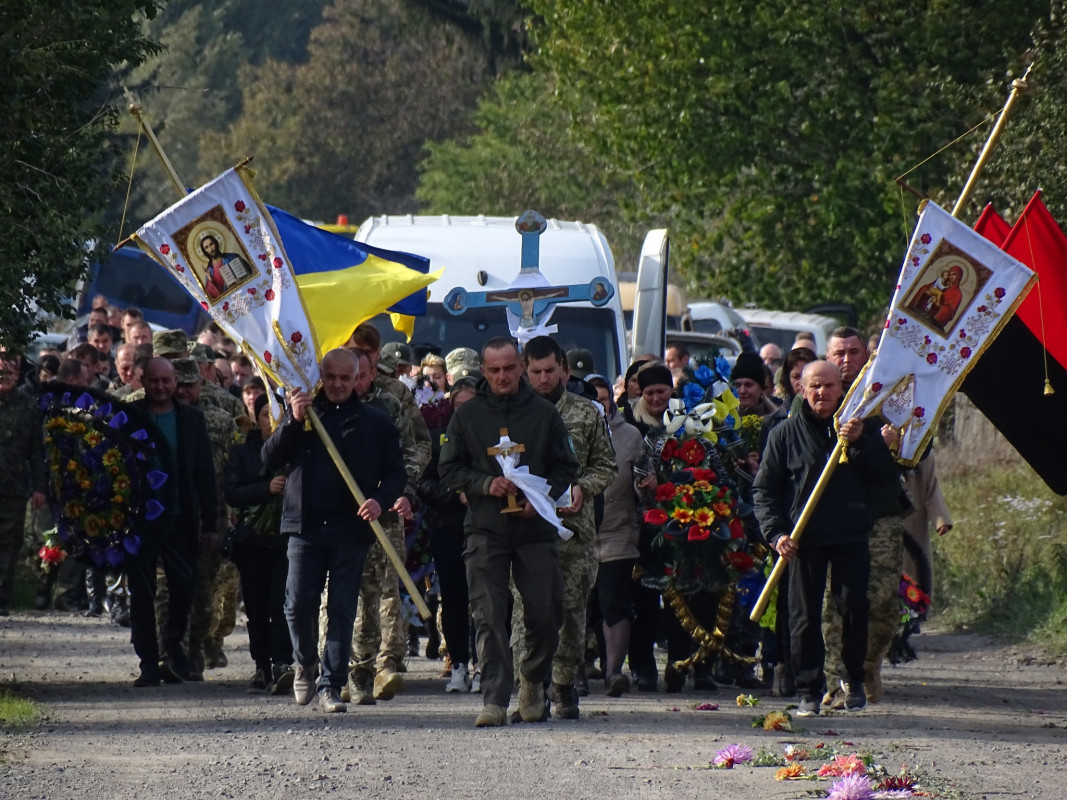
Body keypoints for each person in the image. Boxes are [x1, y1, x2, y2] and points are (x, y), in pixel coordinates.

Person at [438, 337, 578, 727]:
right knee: (489, 613)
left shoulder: (544, 413)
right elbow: (448, 469)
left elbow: (566, 465)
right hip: (486, 529)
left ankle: (532, 680)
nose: (502, 376)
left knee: (547, 610)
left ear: (520, 366)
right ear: (483, 370)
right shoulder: (467, 416)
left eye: (509, 368)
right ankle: (495, 699)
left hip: (534, 529)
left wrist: (542, 497)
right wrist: (485, 485)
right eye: (494, 370)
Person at [262, 349, 405, 713]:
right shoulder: (302, 415)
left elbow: (395, 474)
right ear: (320, 377)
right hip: (304, 526)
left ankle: (331, 684)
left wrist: (379, 499)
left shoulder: (375, 421)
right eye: (331, 377)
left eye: (346, 378)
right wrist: (293, 421)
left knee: (342, 610)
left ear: (358, 378)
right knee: (296, 606)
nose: (338, 385)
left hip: (350, 528)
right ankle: (305, 663)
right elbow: (270, 459)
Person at [753, 361, 896, 716]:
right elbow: (765, 490)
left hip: (850, 533)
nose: (822, 393)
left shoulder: (861, 428)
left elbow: (883, 476)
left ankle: (853, 680)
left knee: (853, 609)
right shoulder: (783, 434)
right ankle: (807, 689)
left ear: (840, 389)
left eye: (829, 386)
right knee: (802, 616)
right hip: (802, 538)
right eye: (815, 386)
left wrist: (862, 443)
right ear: (802, 389)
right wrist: (776, 533)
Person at [518, 336, 617, 720]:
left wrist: (583, 486)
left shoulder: (587, 412)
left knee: (571, 610)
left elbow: (606, 466)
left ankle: (562, 684)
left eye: (550, 371)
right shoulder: (515, 412)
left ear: (563, 368)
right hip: (526, 527)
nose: (544, 379)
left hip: (574, 530)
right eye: (536, 372)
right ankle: (531, 684)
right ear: (526, 371)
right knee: (527, 610)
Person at [127, 358, 218, 686]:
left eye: (167, 381)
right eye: (155, 381)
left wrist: (211, 523)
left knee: (184, 585)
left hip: (180, 516)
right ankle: (148, 662)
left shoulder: (191, 419)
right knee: (142, 591)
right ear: (143, 380)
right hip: (139, 521)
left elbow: (205, 474)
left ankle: (173, 641)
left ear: (175, 382)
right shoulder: (131, 415)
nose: (161, 387)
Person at [225, 393, 294, 695]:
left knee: (281, 604)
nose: (272, 420)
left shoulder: (294, 449)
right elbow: (232, 492)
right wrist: (266, 489)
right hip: (252, 540)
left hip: (284, 540)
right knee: (256, 606)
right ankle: (261, 665)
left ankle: (282, 662)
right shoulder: (242, 452)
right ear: (257, 418)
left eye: (278, 413)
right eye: (267, 413)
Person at [417, 377, 478, 692]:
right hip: (448, 530)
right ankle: (458, 665)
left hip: (484, 530)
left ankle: (484, 664)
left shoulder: (489, 436)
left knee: (486, 600)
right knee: (453, 600)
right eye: (459, 406)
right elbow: (424, 483)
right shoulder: (438, 438)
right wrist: (456, 495)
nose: (464, 412)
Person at [586, 375, 643, 696]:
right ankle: (577, 669)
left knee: (613, 602)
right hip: (577, 534)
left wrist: (644, 486)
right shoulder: (572, 431)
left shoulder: (630, 436)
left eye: (604, 399)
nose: (599, 405)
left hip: (618, 533)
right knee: (581, 606)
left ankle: (613, 672)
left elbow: (643, 482)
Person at [0, 349, 46, 616]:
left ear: (18, 374)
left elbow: (36, 452)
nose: (6, 375)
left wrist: (39, 487)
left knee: (8, 544)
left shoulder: (28, 406)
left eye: (11, 370)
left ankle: (2, 598)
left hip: (13, 488)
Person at [199, 234, 251, 300]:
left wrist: (241, 281)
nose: (211, 248)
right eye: (207, 247)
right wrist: (209, 278)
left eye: (211, 244)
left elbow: (250, 272)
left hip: (245, 293)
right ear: (205, 252)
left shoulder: (233, 257)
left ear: (216, 243)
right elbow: (213, 297)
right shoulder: (209, 271)